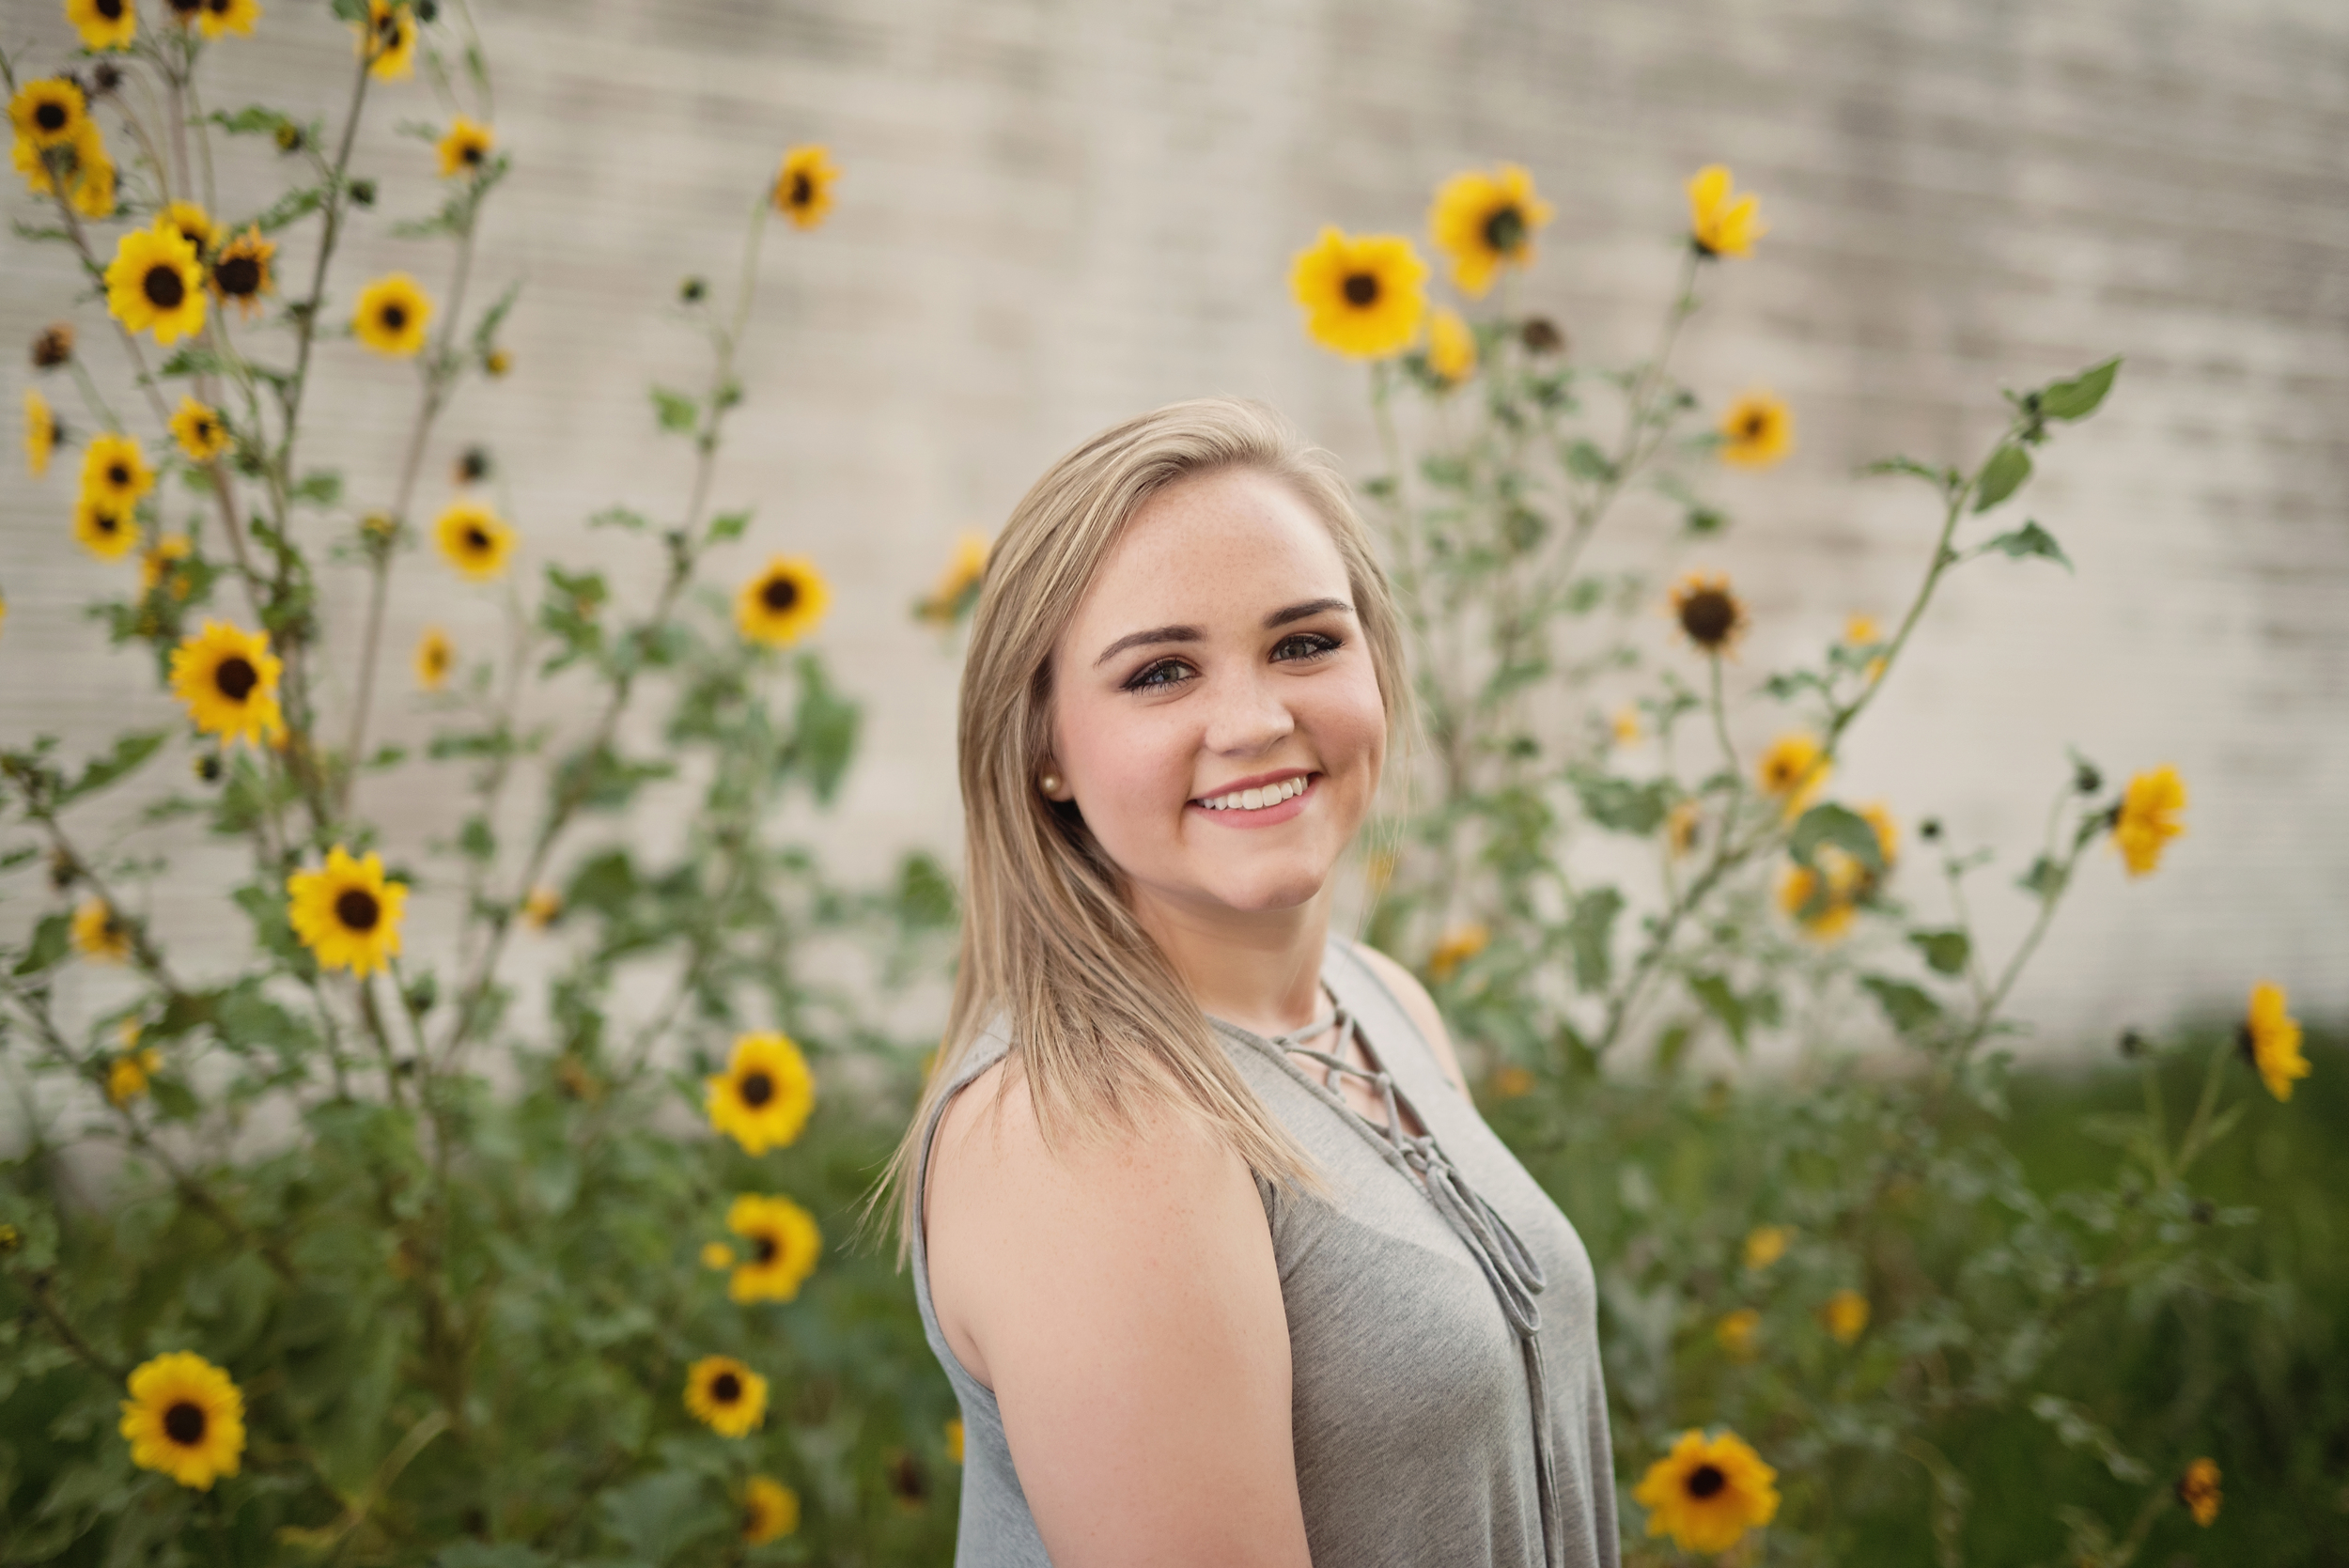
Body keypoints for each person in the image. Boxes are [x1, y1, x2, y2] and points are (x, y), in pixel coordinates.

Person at [884, 397, 1618, 1567]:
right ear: (1046, 752)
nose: (1258, 718)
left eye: (1304, 643)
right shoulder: (1091, 1135)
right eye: (1162, 671)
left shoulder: (1380, 1004)